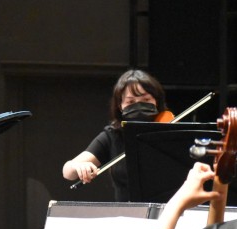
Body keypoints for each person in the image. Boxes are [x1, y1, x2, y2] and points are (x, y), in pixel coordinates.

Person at [62, 69, 168, 201]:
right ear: (120, 106)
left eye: (146, 99)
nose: (139, 106)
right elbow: (68, 172)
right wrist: (77, 166)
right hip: (126, 215)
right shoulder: (113, 135)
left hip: (170, 214)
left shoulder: (170, 132)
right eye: (130, 102)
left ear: (157, 101)